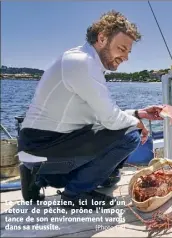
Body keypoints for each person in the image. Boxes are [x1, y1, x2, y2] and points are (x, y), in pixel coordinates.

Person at [17, 10, 164, 209]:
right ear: (102, 38)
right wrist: (138, 123)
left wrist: (139, 113)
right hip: (44, 145)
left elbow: (101, 115)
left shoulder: (82, 60)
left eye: (128, 51)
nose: (126, 57)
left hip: (39, 143)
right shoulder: (82, 63)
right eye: (122, 48)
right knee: (131, 135)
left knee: (121, 141)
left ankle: (37, 176)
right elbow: (110, 119)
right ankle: (75, 194)